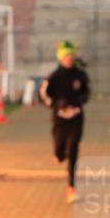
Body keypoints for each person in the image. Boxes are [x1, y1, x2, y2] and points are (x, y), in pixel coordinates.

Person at [39, 40, 90, 203]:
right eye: (66, 56)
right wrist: (55, 104)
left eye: (71, 56)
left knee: (73, 150)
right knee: (60, 153)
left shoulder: (80, 75)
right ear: (61, 57)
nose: (69, 58)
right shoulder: (54, 76)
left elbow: (86, 93)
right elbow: (43, 95)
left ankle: (71, 188)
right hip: (60, 119)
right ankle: (59, 154)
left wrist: (80, 101)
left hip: (76, 118)